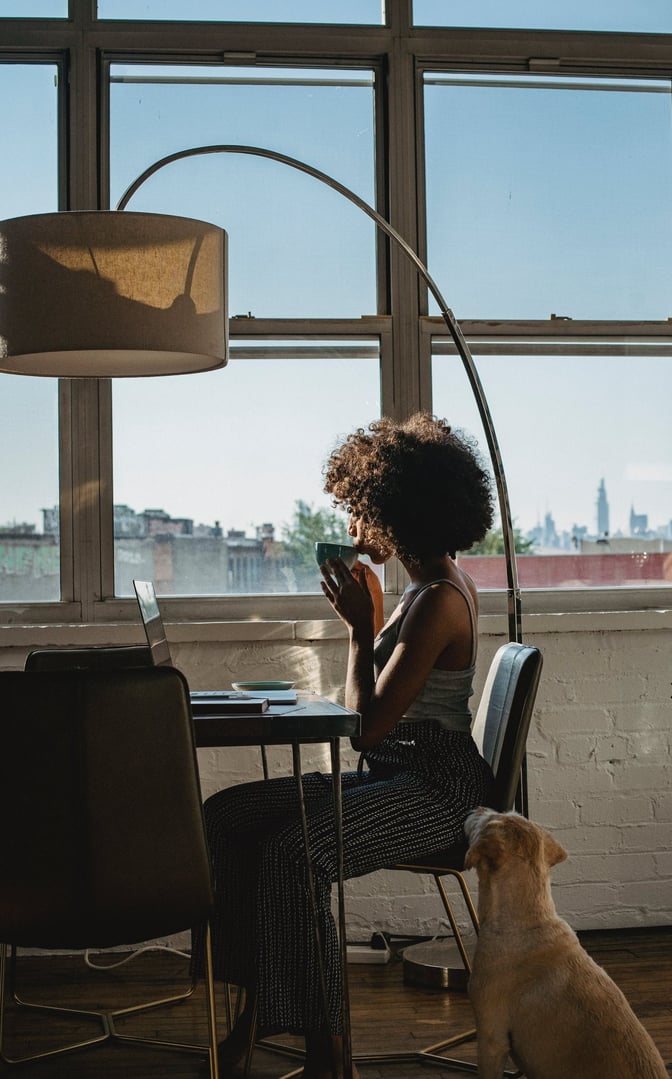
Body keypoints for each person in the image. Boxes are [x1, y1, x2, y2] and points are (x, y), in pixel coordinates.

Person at [201, 412, 496, 1079]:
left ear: (397, 513)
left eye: (359, 515)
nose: (353, 531)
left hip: (438, 789)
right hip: (396, 772)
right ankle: (263, 1006)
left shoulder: (439, 600)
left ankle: (328, 1047)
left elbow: (366, 727)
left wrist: (360, 634)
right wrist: (363, 627)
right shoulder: (418, 587)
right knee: (227, 817)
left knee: (292, 854)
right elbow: (365, 720)